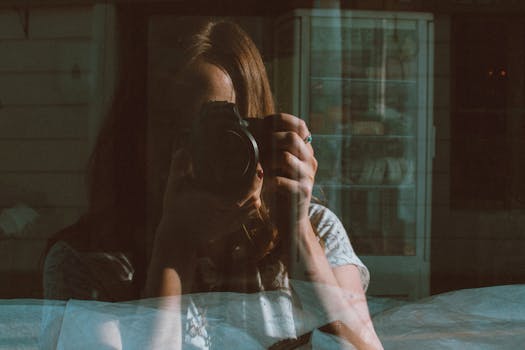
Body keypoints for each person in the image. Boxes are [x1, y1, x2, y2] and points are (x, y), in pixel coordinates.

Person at [44, 17, 382, 349]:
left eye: (223, 134)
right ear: (135, 134)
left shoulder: (317, 230)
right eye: (176, 129)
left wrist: (298, 234)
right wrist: (175, 244)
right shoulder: (87, 261)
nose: (193, 154)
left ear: (258, 134)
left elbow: (360, 347)